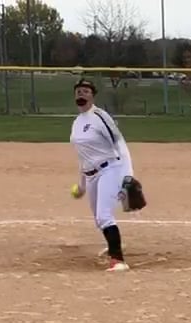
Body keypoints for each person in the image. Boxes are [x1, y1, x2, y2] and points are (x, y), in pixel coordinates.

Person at [67, 78, 136, 272]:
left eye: (86, 91)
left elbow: (120, 144)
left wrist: (128, 176)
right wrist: (82, 184)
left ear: (92, 96)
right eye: (79, 91)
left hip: (110, 169)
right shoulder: (77, 122)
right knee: (99, 219)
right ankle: (115, 246)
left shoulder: (100, 116)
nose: (81, 93)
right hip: (91, 175)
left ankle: (118, 261)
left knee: (104, 215)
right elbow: (83, 155)